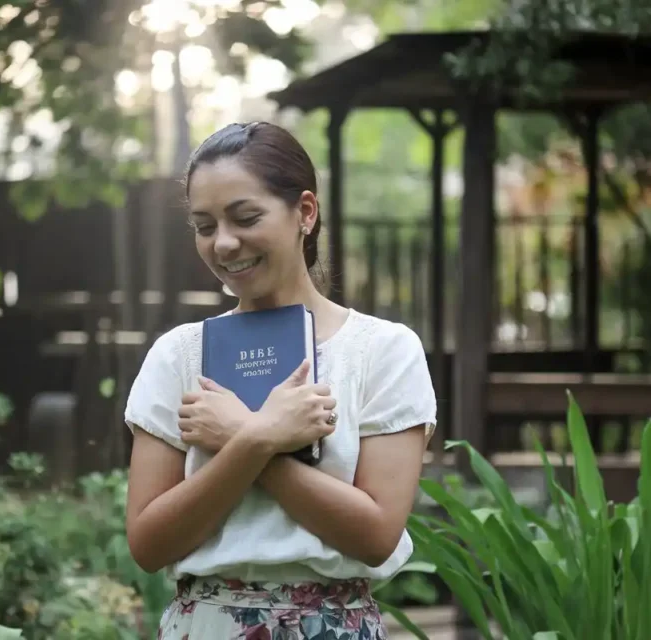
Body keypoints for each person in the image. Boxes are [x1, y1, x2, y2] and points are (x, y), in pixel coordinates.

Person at [124, 121, 437, 639]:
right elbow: (149, 544)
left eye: (246, 218)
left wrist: (239, 436)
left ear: (305, 213)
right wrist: (261, 438)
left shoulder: (381, 351)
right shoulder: (178, 355)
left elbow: (377, 534)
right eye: (204, 227)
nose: (224, 244)